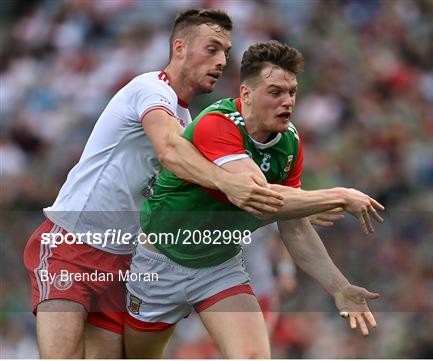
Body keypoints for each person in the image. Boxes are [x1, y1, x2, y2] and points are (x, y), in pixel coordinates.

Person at [22, 9, 285, 359]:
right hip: (71, 245)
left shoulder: (188, 119)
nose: (222, 60)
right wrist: (228, 181)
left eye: (226, 51)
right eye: (212, 48)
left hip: (123, 262)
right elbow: (170, 151)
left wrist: (296, 202)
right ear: (180, 47)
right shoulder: (149, 88)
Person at [124, 40, 384, 358]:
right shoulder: (216, 124)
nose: (287, 102)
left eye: (292, 92)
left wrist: (339, 288)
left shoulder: (289, 143)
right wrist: (339, 196)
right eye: (275, 92)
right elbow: (257, 196)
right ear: (246, 94)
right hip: (159, 261)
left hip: (218, 266)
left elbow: (296, 229)